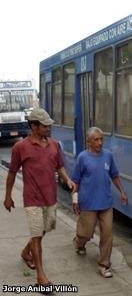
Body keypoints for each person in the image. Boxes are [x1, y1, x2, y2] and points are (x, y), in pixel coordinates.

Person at [3, 107, 76, 290]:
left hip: (50, 197)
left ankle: (26, 252)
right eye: (45, 126)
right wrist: (8, 196)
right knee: (37, 235)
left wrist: (68, 179)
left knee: (45, 229)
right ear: (34, 127)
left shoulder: (54, 145)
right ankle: (41, 277)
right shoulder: (20, 147)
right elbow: (12, 173)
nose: (48, 129)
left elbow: (59, 167)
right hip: (32, 199)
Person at [71, 126, 128, 278]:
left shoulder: (108, 156)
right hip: (88, 203)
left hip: (106, 204)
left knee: (107, 234)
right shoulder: (82, 158)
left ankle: (104, 265)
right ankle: (79, 241)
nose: (100, 142)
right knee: (86, 233)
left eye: (101, 139)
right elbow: (75, 181)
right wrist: (75, 200)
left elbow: (114, 175)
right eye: (96, 140)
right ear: (89, 142)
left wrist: (122, 192)